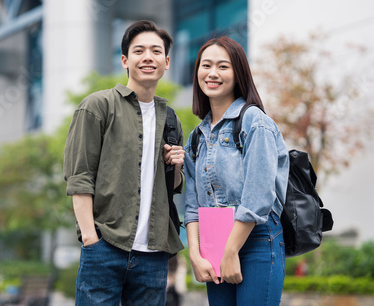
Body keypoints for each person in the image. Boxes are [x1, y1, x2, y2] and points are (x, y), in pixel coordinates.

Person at [64, 20, 185, 305]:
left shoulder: (171, 119)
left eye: (156, 51)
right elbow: (79, 177)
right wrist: (91, 240)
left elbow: (173, 188)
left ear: (166, 62)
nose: (147, 57)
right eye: (139, 50)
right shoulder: (97, 106)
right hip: (105, 248)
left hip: (154, 256)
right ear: (124, 60)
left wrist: (177, 166)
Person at [183, 36, 289, 306]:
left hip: (256, 238)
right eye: (206, 66)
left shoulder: (254, 121)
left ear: (238, 73)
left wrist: (231, 251)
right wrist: (196, 255)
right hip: (214, 242)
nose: (213, 73)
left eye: (223, 66)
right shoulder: (197, 137)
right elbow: (193, 206)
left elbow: (258, 195)